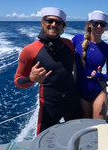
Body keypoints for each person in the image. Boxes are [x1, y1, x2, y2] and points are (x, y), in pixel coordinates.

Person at [14, 7, 82, 135]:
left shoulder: (68, 44)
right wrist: (31, 79)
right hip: (50, 105)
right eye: (49, 21)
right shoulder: (29, 51)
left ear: (63, 27)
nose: (53, 24)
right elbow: (18, 81)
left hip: (72, 101)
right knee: (42, 141)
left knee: (79, 137)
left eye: (58, 22)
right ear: (43, 23)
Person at [72, 10, 108, 119]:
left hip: (98, 91)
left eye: (103, 24)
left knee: (98, 126)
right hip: (79, 91)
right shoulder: (77, 40)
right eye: (95, 23)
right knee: (84, 127)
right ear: (90, 24)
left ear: (106, 27)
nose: (99, 26)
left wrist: (100, 76)